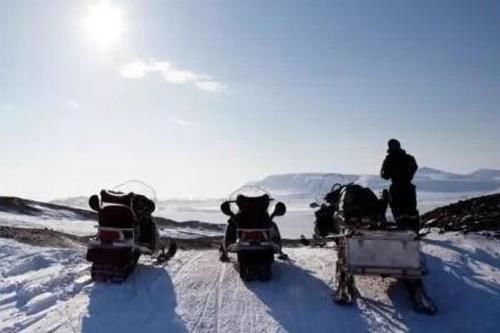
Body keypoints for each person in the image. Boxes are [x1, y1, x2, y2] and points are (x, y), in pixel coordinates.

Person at [380, 139, 419, 231]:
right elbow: (414, 167)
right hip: (408, 186)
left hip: (397, 187)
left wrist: (393, 173)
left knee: (398, 209)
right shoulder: (409, 158)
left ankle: (403, 228)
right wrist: (408, 175)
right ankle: (413, 229)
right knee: (411, 209)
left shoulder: (389, 159)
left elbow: (384, 175)